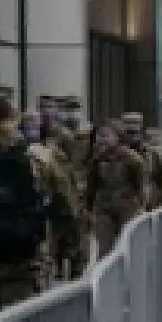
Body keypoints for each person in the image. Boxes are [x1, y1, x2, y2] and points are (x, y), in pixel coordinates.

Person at [0, 86, 82, 321]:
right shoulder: (40, 157)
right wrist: (65, 249)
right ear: (14, 115)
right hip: (28, 264)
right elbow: (67, 208)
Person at [86, 119, 149, 257]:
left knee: (127, 245)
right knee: (105, 249)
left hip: (127, 208)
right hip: (104, 209)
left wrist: (140, 206)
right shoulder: (97, 160)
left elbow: (141, 185)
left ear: (117, 137)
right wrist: (89, 210)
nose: (102, 140)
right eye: (99, 136)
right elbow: (91, 187)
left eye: (106, 135)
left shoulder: (132, 159)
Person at [48, 95, 92, 278]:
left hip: (81, 187)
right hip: (61, 186)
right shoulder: (56, 134)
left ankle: (78, 266)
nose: (71, 113)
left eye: (74, 109)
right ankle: (58, 263)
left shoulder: (88, 134)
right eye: (68, 109)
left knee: (80, 230)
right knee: (60, 227)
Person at [124, 113, 162, 210]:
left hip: (148, 207)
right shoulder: (117, 155)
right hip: (125, 206)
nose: (133, 137)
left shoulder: (152, 155)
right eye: (129, 133)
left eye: (136, 132)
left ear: (142, 132)